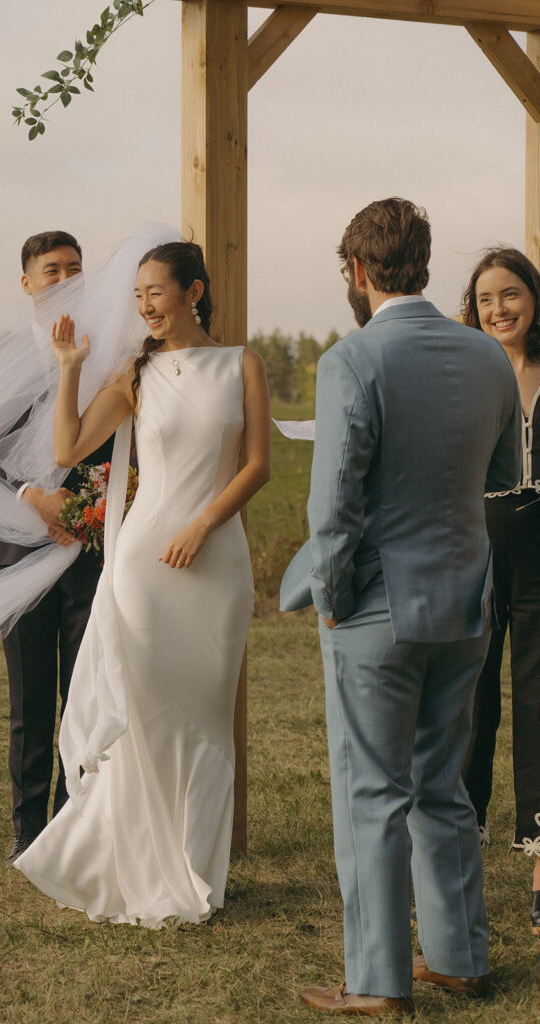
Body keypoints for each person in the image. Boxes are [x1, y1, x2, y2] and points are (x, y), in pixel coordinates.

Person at [280, 198, 521, 1015]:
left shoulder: (351, 360)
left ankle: (376, 982)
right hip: (465, 598)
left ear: (356, 270)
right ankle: (458, 957)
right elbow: (502, 473)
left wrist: (333, 596)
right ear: (422, 261)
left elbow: (333, 506)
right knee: (443, 785)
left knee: (371, 792)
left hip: (376, 608)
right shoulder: (489, 358)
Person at [13, 241, 270, 926]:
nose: (145, 307)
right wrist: (71, 369)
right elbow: (68, 449)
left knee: (208, 716)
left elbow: (256, 466)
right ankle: (136, 867)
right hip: (144, 567)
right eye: (137, 296)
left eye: (156, 292)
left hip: (216, 563)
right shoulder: (134, 372)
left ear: (193, 291)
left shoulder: (240, 363)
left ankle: (196, 872)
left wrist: (205, 524)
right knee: (148, 714)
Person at [0, 230, 116, 866]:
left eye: (73, 268)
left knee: (86, 696)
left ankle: (77, 825)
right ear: (28, 283)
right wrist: (30, 500)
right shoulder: (3, 365)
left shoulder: (107, 353)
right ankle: (26, 830)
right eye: (51, 270)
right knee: (30, 700)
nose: (63, 278)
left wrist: (90, 510)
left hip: (92, 551)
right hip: (21, 555)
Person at [461, 247, 540, 936]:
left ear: (533, 298)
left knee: (539, 691)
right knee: (471, 686)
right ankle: (466, 824)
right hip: (478, 540)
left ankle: (539, 841)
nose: (498, 310)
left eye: (510, 294)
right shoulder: (467, 372)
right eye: (486, 299)